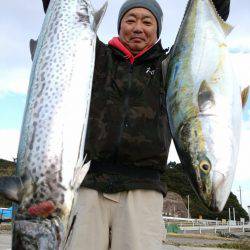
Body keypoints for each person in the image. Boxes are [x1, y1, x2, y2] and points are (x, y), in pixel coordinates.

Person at [41, 0, 230, 249]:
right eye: (130, 20)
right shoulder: (95, 56)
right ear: (120, 26)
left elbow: (213, 17)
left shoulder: (170, 66)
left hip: (144, 189)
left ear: (157, 29)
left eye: (147, 21)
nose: (138, 27)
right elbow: (64, 17)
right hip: (88, 184)